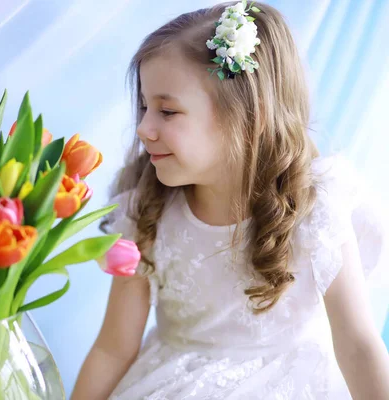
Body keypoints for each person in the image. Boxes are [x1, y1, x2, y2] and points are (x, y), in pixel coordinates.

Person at [71, 1, 389, 399]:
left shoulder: (315, 208)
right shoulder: (147, 210)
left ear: (249, 116)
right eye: (144, 107)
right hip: (172, 383)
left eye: (167, 111)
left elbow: (358, 346)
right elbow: (113, 347)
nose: (144, 128)